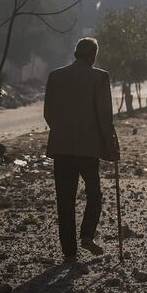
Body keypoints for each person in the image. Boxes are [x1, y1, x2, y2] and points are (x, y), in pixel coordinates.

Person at [44, 37, 120, 262]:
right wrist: (111, 146)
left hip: (61, 147)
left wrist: (62, 132)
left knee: (64, 199)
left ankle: (69, 252)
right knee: (94, 194)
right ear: (93, 55)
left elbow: (48, 113)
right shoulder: (100, 77)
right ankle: (87, 234)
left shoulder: (55, 76)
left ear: (76, 52)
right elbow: (104, 116)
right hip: (88, 148)